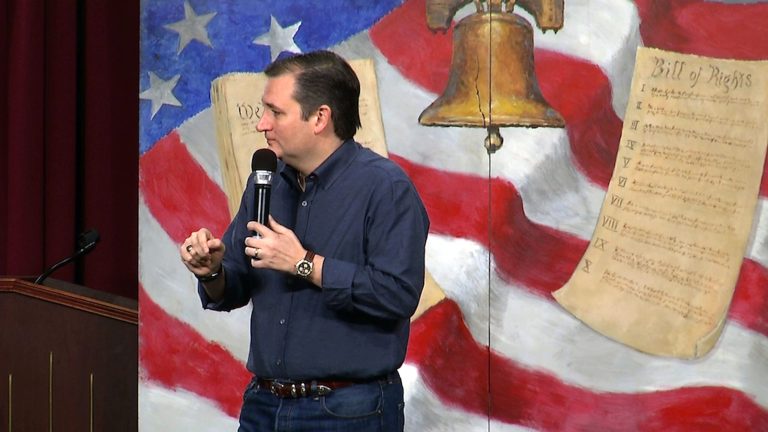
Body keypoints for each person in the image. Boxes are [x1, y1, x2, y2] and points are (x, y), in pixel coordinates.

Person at [180, 50, 430, 432]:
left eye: (276, 112)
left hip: (348, 410)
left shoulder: (386, 189)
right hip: (264, 405)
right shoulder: (265, 182)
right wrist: (211, 272)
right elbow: (237, 283)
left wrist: (305, 263)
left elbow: (397, 294)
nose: (262, 124)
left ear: (319, 118)